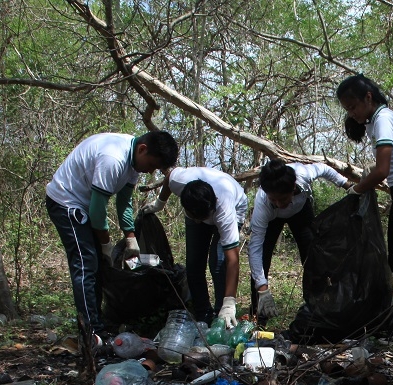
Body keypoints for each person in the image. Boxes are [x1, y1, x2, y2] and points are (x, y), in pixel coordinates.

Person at [46, 130, 179, 347]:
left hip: (85, 204)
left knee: (98, 265)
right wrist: (106, 244)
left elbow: (124, 202)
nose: (150, 171)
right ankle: (91, 333)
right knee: (86, 263)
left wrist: (131, 239)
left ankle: (97, 322)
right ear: (142, 149)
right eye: (151, 165)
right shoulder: (113, 159)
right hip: (66, 202)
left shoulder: (134, 162)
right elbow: (98, 210)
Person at [336, 74, 393, 304]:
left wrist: (357, 190)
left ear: (368, 97)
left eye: (353, 107)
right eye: (347, 109)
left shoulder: (383, 119)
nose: (351, 113)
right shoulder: (374, 122)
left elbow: (383, 170)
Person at [248, 159, 353, 324]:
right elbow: (255, 248)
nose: (278, 204)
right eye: (274, 199)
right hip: (272, 219)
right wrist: (262, 289)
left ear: (293, 188)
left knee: (313, 256)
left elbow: (325, 169)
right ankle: (258, 315)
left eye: (282, 199)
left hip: (300, 211)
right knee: (263, 259)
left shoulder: (303, 174)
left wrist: (346, 185)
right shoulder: (263, 203)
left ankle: (317, 309)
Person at [141, 166, 248, 327]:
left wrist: (230, 301)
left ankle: (223, 316)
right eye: (196, 218)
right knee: (194, 265)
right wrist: (159, 203)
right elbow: (169, 177)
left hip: (234, 206)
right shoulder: (179, 181)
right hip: (198, 207)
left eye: (202, 218)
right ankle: (203, 314)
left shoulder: (225, 211)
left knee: (218, 264)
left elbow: (232, 259)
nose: (200, 222)